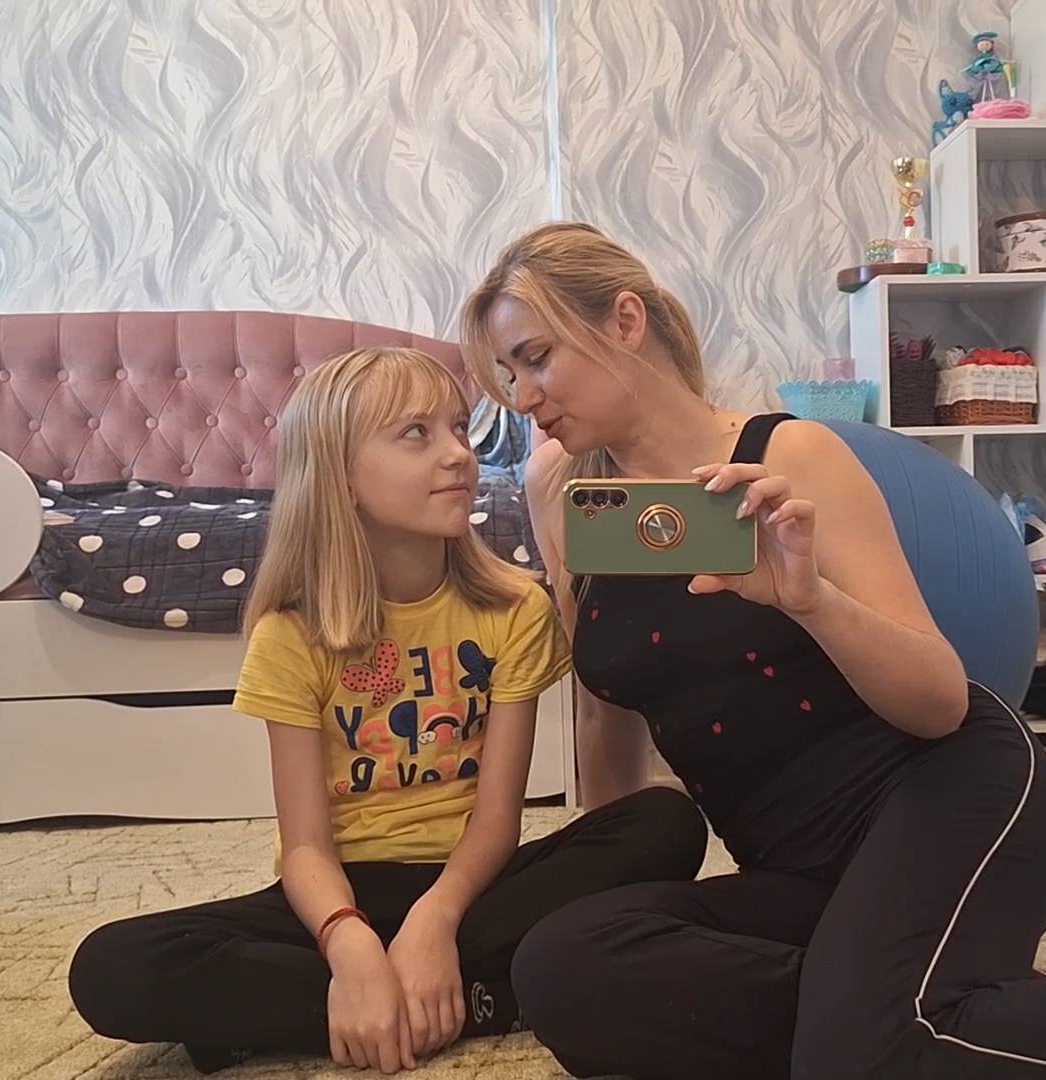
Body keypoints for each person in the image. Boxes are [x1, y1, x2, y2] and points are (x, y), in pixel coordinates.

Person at [457, 223, 1046, 1080]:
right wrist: (619, 882)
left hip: (948, 793)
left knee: (862, 1054)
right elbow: (606, 709)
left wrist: (811, 600)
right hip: (798, 867)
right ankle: (928, 1012)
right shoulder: (559, 492)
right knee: (565, 968)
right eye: (508, 375)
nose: (525, 398)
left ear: (625, 321)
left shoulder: (792, 456)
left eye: (537, 359)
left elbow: (938, 700)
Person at [67, 347, 706, 1075]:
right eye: (416, 434)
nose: (458, 454)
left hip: (475, 887)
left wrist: (435, 921)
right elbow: (305, 848)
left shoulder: (513, 610)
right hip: (340, 895)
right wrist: (350, 944)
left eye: (458, 429)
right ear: (340, 475)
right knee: (110, 968)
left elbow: (496, 820)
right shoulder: (293, 633)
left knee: (665, 821)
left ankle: (349, 1013)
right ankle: (485, 997)